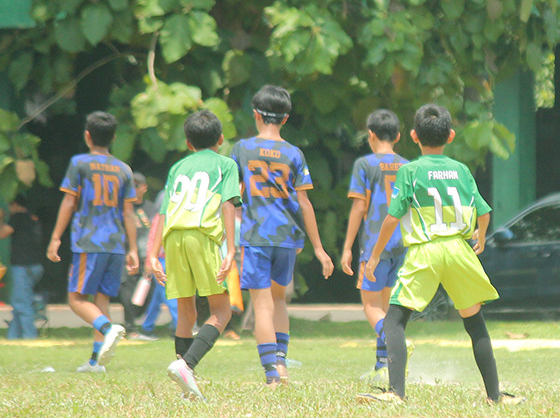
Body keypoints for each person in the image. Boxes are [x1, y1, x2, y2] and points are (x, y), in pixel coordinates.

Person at [357, 104, 523, 405]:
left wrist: (374, 256)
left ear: (413, 136)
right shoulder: (461, 170)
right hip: (459, 250)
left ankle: (396, 393)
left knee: (394, 320)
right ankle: (494, 395)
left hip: (425, 251)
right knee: (474, 322)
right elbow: (484, 212)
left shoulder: (410, 171)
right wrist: (480, 238)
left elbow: (393, 217)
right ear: (450, 135)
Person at [230, 85, 334, 387]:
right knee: (279, 302)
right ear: (285, 119)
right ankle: (282, 364)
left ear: (255, 115)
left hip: (256, 236)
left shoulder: (243, 149)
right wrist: (319, 248)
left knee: (261, 305)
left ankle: (272, 376)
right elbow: (305, 202)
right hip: (287, 238)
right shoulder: (294, 153)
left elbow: (232, 192)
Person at [149, 109, 240, 400]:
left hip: (173, 237)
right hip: (201, 235)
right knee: (221, 311)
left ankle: (187, 384)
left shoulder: (178, 167)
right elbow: (228, 205)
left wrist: (153, 254)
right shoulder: (226, 164)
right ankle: (186, 365)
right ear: (221, 139)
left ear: (188, 142)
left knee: (186, 313)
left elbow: (163, 211)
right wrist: (231, 249)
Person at [47, 111, 139, 372]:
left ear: (88, 136)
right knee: (101, 302)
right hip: (116, 244)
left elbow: (69, 201)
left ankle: (108, 329)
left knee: (76, 299)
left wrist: (55, 238)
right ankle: (95, 362)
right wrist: (133, 248)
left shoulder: (80, 163)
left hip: (90, 242)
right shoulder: (124, 169)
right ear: (114, 138)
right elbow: (129, 212)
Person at [340, 109, 409, 385]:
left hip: (373, 246)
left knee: (370, 307)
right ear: (399, 136)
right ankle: (383, 364)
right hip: (401, 245)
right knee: (387, 306)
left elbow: (359, 206)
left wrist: (347, 247)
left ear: (370, 135)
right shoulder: (407, 166)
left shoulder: (365, 165)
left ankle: (396, 340)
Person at [1, 195, 45, 339]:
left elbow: (2, 234)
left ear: (15, 205)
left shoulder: (18, 217)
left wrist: (1, 218)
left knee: (22, 304)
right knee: (19, 303)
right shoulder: (32, 218)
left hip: (22, 267)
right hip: (35, 266)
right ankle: (13, 337)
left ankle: (30, 337)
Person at [138, 188, 178, 339]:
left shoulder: (171, 218)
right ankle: (180, 326)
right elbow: (152, 240)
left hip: (169, 259)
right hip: (161, 260)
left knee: (158, 297)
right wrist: (150, 260)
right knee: (170, 295)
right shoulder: (159, 219)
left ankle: (146, 327)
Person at [119, 172, 153, 338]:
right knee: (128, 290)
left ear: (144, 188)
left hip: (147, 256)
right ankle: (130, 327)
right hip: (128, 255)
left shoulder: (151, 208)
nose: (133, 189)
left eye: (137, 185)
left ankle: (136, 321)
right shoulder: (123, 208)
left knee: (148, 293)